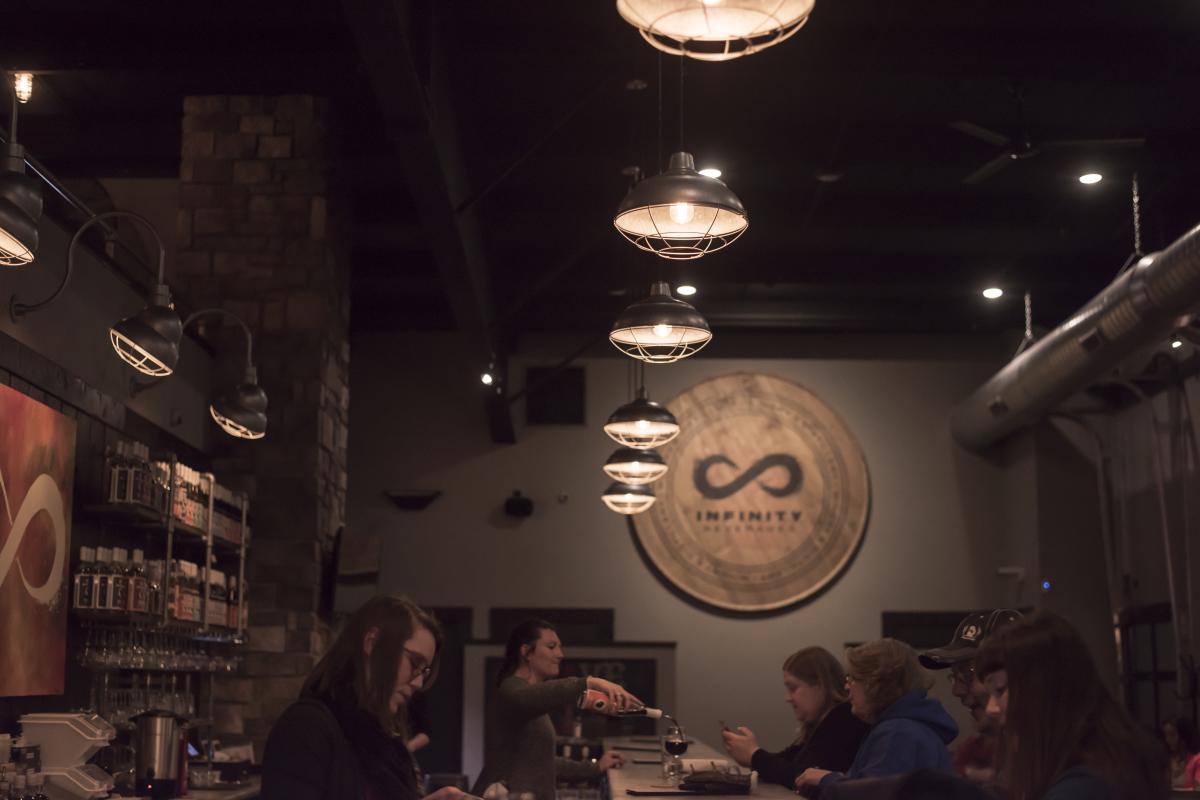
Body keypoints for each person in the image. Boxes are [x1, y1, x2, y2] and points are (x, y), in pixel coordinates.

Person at [261, 594, 460, 800]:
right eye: (414, 663)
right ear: (372, 643)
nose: (418, 683)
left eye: (424, 671)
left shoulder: (384, 739)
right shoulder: (307, 726)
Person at [976, 610, 1167, 800]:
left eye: (1000, 691)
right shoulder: (1101, 764)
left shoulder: (1085, 786)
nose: (991, 709)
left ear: (1044, 690)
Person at [472, 619, 638, 800]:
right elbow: (531, 697)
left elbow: (543, 762)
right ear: (526, 652)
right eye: (551, 647)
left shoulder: (533, 701)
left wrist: (595, 767)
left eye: (559, 647)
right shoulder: (511, 690)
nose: (560, 654)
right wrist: (589, 682)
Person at [795, 638, 957, 793]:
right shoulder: (905, 727)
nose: (846, 686)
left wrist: (826, 779)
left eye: (853, 678)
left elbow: (871, 794)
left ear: (876, 685)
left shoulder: (897, 732)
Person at [720, 646, 868, 788]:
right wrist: (749, 754)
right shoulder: (822, 721)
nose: (787, 698)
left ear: (819, 685)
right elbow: (787, 761)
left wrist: (753, 754)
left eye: (793, 688)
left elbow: (802, 777)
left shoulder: (843, 720)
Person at [919, 608, 1022, 783]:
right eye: (955, 676)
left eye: (969, 672)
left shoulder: (1055, 765)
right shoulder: (991, 751)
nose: (956, 691)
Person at [1163, 716, 1200, 788]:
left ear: (1185, 735)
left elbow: (1197, 791)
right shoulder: (1168, 758)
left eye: (1172, 735)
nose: (1167, 740)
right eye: (1166, 735)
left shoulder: (1197, 760)